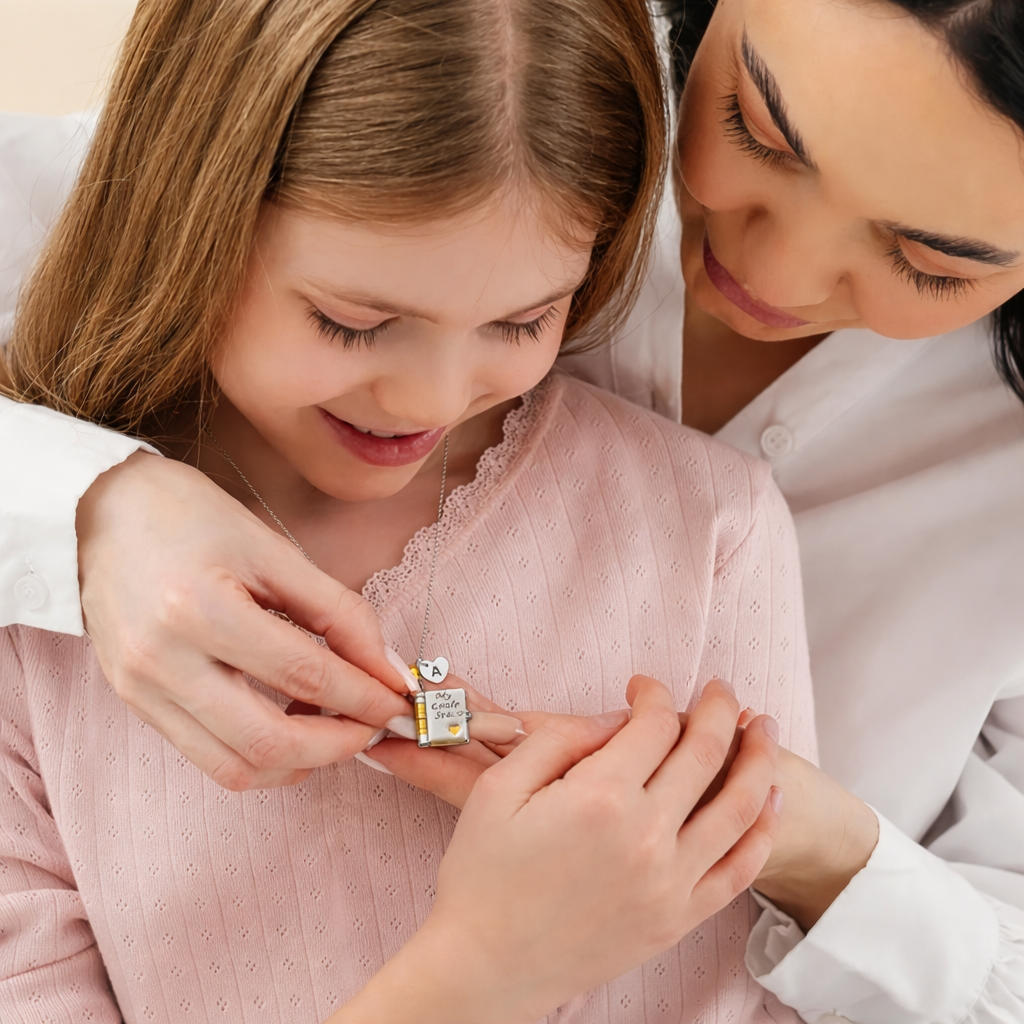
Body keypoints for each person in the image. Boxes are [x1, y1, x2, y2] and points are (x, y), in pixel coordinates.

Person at [3, 0, 1023, 1020]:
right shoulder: (433, 79)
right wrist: (91, 506)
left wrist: (809, 845)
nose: (774, 273)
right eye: (757, 129)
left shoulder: (720, 525)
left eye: (931, 259)